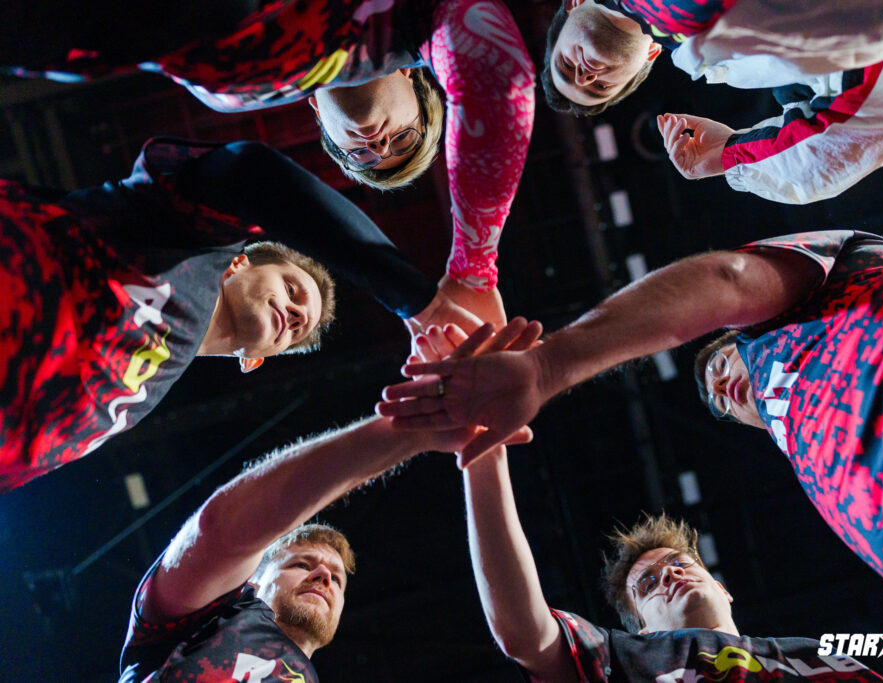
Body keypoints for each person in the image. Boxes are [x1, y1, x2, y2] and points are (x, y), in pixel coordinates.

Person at [378, 229, 883, 651]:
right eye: (718, 399)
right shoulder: (819, 469)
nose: (721, 388)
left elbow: (730, 282)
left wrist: (550, 366)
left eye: (721, 368)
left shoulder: (801, 314)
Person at [0, 136, 483, 490]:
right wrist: (420, 302)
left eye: (299, 328)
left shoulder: (149, 391)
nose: (294, 314)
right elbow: (250, 171)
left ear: (253, 360)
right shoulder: (190, 240)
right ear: (239, 262)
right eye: (293, 290)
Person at [4, 0, 535, 323]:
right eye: (403, 139)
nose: (377, 145)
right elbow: (499, 79)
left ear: (319, 120)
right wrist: (472, 270)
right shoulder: (417, 22)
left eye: (363, 156)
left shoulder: (231, 97)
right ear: (416, 83)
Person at [117, 319, 540, 681]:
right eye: (302, 563)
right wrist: (414, 430)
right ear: (249, 581)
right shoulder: (202, 620)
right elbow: (223, 530)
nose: (325, 577)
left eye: (337, 579)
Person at [463, 447, 883, 680]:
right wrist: (485, 455)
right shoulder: (625, 661)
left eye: (680, 563)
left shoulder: (814, 656)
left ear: (722, 588)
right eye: (647, 585)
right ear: (642, 628)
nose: (669, 574)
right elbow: (523, 634)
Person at [542, 0, 883, 204]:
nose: (584, 75)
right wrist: (731, 154)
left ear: (575, 2)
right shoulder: (735, 50)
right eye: (598, 88)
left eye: (565, 65)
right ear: (646, 61)